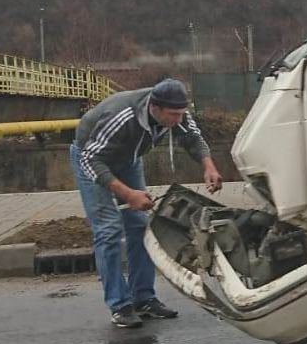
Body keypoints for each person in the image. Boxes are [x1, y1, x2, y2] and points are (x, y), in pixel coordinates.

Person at [70, 78, 223, 328]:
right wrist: (129, 195)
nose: (178, 120)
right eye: (173, 115)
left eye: (181, 114)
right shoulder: (122, 117)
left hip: (129, 159)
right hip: (93, 159)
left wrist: (209, 166)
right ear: (155, 107)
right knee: (108, 230)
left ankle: (143, 298)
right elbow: (90, 160)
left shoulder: (175, 112)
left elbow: (192, 137)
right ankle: (120, 305)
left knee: (140, 225)